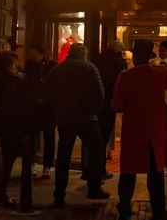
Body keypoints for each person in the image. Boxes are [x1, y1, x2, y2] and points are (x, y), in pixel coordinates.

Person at [110, 36, 167, 220]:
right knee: (156, 173)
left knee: (128, 171)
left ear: (136, 57)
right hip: (156, 130)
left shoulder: (126, 77)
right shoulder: (163, 74)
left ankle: (124, 208)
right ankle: (159, 210)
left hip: (134, 131)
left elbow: (116, 105)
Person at [45, 33, 108, 204]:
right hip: (87, 117)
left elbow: (47, 93)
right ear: (84, 54)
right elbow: (99, 92)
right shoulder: (89, 68)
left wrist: (57, 111)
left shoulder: (57, 69)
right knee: (96, 150)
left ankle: (59, 194)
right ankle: (94, 188)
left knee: (63, 156)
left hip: (65, 117)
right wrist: (96, 110)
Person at [0, 48, 35, 207]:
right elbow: (18, 105)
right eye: (14, 64)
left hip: (6, 123)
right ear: (9, 65)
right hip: (13, 124)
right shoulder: (10, 82)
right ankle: (0, 194)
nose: (17, 67)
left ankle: (0, 192)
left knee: (7, 158)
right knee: (8, 159)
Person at [94, 34, 129, 177]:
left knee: (97, 135)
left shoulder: (98, 59)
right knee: (105, 134)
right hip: (110, 100)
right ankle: (99, 168)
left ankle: (94, 167)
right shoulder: (120, 63)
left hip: (96, 100)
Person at [25, 45, 55, 181]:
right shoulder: (30, 65)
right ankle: (31, 163)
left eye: (34, 52)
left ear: (41, 53)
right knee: (31, 136)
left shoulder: (51, 65)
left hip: (48, 107)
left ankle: (46, 166)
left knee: (49, 137)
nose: (31, 54)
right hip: (34, 107)